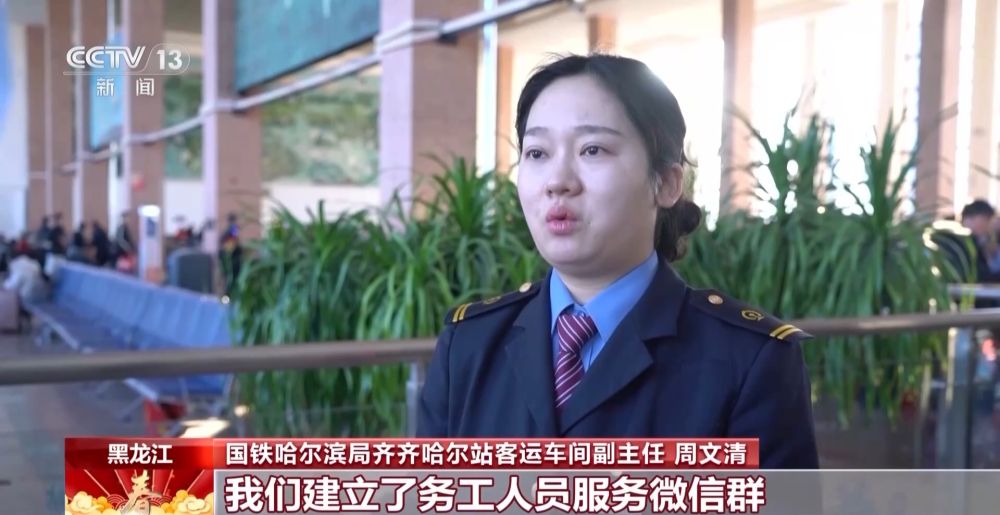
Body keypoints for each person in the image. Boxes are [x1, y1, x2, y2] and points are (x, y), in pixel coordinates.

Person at [417, 54, 819, 469]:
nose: (557, 182)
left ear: (666, 183)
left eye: (592, 149)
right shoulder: (468, 346)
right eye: (537, 153)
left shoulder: (749, 360)